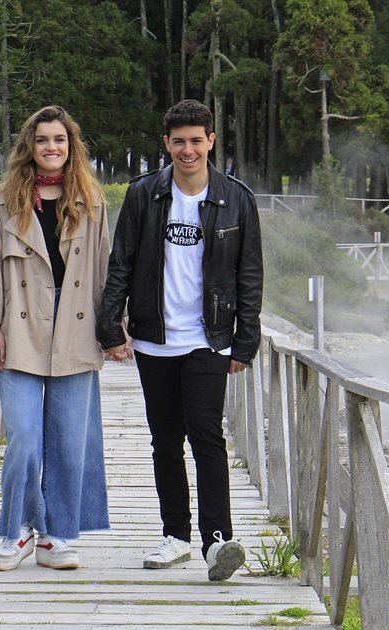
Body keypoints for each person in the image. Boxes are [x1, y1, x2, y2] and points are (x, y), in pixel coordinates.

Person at [96, 99, 263, 581]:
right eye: (178, 141)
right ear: (166, 143)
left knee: (207, 437)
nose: (187, 150)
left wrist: (244, 343)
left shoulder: (237, 199)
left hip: (208, 339)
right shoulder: (144, 194)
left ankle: (217, 542)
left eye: (196, 140)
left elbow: (249, 275)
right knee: (165, 441)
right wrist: (112, 326)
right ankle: (175, 537)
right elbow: (120, 263)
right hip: (153, 339)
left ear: (211, 141)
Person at [0, 105, 110, 572]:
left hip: (76, 324)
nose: (52, 147)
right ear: (30, 146)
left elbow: (106, 270)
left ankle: (53, 535)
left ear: (72, 146)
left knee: (69, 439)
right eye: (44, 139)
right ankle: (15, 531)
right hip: (19, 326)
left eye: (60, 140)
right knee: (24, 438)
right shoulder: (6, 199)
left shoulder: (92, 200)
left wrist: (114, 329)